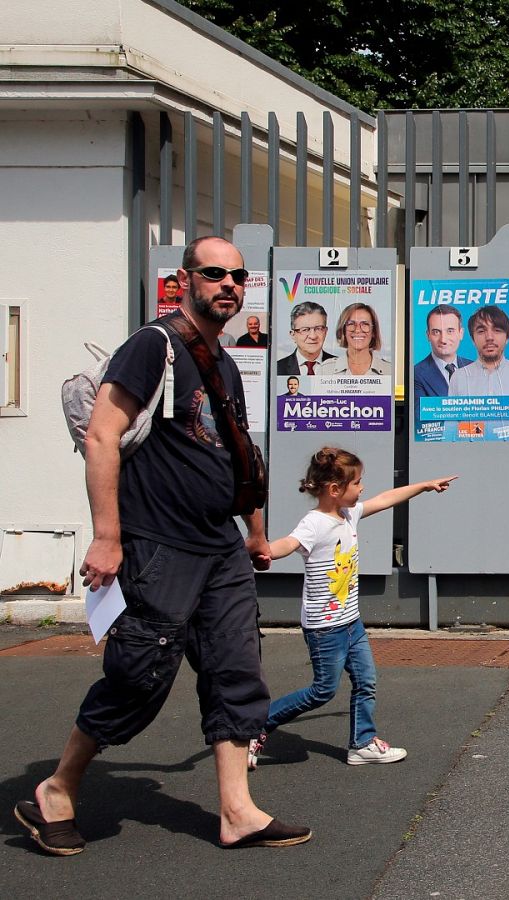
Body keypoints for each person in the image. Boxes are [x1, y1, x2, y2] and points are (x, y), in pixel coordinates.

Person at [19, 236, 309, 855]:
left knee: (237, 672)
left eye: (238, 276)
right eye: (214, 273)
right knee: (139, 674)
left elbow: (235, 453)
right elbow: (103, 435)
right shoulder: (155, 345)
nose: (228, 284)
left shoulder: (223, 363)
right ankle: (59, 789)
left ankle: (237, 811)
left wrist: (254, 532)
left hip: (220, 547)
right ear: (186, 280)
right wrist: (106, 536)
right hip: (158, 543)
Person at [249, 448, 456, 770]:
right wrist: (266, 552)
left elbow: (386, 499)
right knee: (322, 691)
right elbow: (288, 543)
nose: (362, 489)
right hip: (324, 627)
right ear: (334, 489)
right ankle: (256, 726)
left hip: (351, 621)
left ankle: (362, 743)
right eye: (357, 483)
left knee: (366, 681)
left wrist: (424, 485)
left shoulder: (349, 514)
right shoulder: (314, 523)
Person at [449, 306, 509, 396]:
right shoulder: (458, 377)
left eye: (497, 330)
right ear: (472, 339)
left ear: (507, 337)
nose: (489, 337)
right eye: (481, 331)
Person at [413, 304, 468, 399]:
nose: (443, 340)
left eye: (450, 331)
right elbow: (420, 413)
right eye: (436, 332)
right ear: (428, 335)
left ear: (461, 333)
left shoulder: (476, 369)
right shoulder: (415, 374)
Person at [323, 303, 390, 376]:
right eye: (351, 324)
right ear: (343, 330)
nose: (357, 330)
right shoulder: (325, 371)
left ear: (373, 331)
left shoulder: (390, 371)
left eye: (365, 324)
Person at [276, 301, 337, 376]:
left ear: (325, 332)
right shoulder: (277, 369)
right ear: (293, 335)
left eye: (318, 328)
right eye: (305, 330)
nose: (313, 336)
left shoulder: (341, 366)